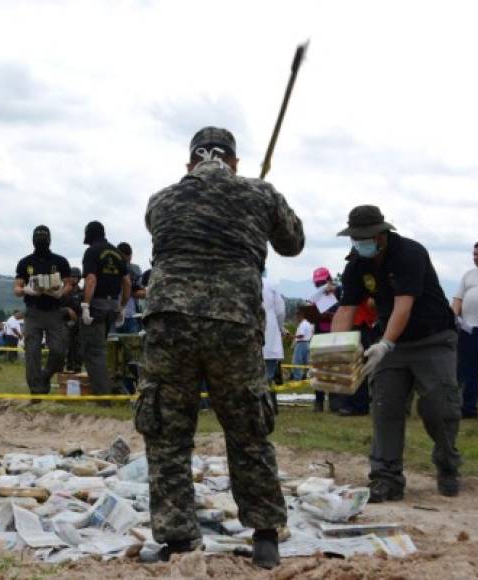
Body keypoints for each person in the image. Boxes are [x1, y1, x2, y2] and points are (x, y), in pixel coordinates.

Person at [136, 126, 304, 569]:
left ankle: (176, 539)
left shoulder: (160, 200)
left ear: (190, 162)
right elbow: (293, 244)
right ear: (233, 161)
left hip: (170, 321)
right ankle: (265, 535)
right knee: (248, 427)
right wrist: (264, 200)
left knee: (167, 432)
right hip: (234, 321)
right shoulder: (260, 194)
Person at [331, 205, 460, 501]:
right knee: (385, 408)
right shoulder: (356, 265)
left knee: (439, 408)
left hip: (433, 339)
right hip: (391, 346)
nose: (359, 242)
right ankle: (386, 478)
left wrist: (385, 343)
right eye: (355, 237)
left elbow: (404, 304)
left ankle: (447, 464)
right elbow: (347, 308)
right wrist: (335, 351)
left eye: (364, 236)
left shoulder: (409, 253)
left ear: (381, 234)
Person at [14, 226, 72, 398]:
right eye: (38, 237)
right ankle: (36, 391)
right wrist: (26, 290)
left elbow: (69, 283)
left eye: (44, 237)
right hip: (33, 311)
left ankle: (44, 376)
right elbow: (16, 289)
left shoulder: (60, 261)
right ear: (33, 239)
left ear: (49, 239)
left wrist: (61, 291)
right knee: (32, 352)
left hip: (54, 311)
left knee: (59, 350)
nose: (41, 240)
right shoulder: (25, 263)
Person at [80, 221, 130, 398]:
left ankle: (103, 396)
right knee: (100, 347)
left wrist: (85, 305)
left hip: (97, 305)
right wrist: (122, 307)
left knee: (94, 352)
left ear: (89, 235)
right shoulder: (117, 253)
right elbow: (127, 283)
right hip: (112, 307)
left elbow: (91, 279)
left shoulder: (91, 251)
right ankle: (108, 388)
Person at [452, 239, 478, 419]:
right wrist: (454, 316)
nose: (475, 258)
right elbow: (458, 299)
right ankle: (468, 409)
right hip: (468, 330)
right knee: (469, 371)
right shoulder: (469, 275)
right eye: (474, 254)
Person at [309, 267, 344, 412]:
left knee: (335, 368)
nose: (320, 286)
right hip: (319, 334)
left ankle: (335, 402)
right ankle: (319, 401)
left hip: (335, 334)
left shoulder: (340, 291)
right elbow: (310, 305)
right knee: (318, 369)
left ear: (329, 279)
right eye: (317, 284)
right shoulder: (317, 295)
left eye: (322, 282)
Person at [262, 273, 285, 411]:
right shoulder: (271, 285)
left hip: (247, 334)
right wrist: (280, 327)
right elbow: (281, 311)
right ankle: (269, 406)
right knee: (268, 375)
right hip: (269, 333)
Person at [116, 242, 144, 334]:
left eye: (128, 259)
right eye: (124, 260)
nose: (126, 263)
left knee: (133, 345)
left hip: (131, 315)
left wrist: (129, 290)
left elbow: (140, 291)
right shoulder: (111, 268)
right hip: (114, 315)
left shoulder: (135, 269)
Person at [63, 267, 84, 373]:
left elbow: (84, 307)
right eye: (72, 276)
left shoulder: (82, 292)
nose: (74, 279)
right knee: (67, 345)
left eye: (76, 277)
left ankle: (77, 367)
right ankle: (68, 366)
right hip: (64, 322)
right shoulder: (63, 291)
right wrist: (67, 309)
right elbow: (57, 306)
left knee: (78, 345)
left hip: (78, 322)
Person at [290, 308, 314, 381]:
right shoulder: (308, 323)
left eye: (297, 315)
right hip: (307, 343)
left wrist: (292, 336)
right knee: (307, 361)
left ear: (301, 315)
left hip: (301, 343)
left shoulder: (303, 324)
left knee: (296, 361)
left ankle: (297, 377)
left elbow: (301, 335)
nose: (296, 317)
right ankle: (309, 376)